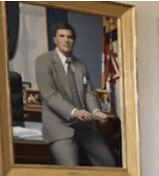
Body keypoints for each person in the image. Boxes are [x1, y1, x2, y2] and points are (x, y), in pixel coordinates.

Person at [35, 22, 117, 167]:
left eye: (70, 37)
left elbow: (88, 93)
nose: (66, 40)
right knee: (72, 170)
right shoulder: (43, 61)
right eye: (62, 36)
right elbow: (50, 95)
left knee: (110, 166)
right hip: (59, 127)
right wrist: (74, 112)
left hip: (84, 127)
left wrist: (96, 112)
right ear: (55, 39)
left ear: (73, 40)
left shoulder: (80, 66)